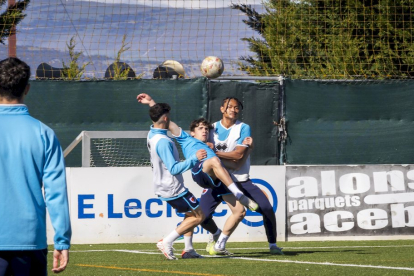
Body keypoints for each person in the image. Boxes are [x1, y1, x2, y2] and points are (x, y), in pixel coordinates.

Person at [0, 57, 71, 275]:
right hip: (30, 238)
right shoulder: (44, 134)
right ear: (27, 88)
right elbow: (56, 192)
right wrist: (62, 240)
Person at [137, 93, 259, 213]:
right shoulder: (186, 139)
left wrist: (249, 150)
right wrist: (151, 102)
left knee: (238, 213)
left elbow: (236, 165)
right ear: (192, 133)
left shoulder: (212, 149)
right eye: (200, 128)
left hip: (217, 175)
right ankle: (240, 195)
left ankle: (218, 234)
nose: (205, 131)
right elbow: (166, 122)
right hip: (201, 171)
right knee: (214, 162)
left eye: (206, 129)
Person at [201, 97, 284, 255]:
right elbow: (203, 150)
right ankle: (216, 235)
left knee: (266, 208)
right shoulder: (211, 129)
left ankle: (273, 245)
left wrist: (214, 152)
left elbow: (238, 155)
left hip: (240, 180)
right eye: (230, 107)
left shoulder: (243, 128)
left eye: (237, 107)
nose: (233, 110)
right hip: (218, 180)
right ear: (222, 109)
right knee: (202, 216)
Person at [138, 98, 206, 260]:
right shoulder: (163, 142)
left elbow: (158, 115)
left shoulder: (153, 132)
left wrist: (151, 103)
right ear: (166, 118)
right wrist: (195, 158)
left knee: (190, 215)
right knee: (198, 216)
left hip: (165, 185)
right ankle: (166, 242)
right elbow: (174, 168)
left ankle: (188, 249)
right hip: (172, 187)